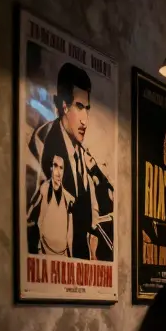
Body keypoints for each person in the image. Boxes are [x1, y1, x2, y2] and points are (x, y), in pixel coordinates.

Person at [27, 62, 114, 261]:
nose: (85, 120)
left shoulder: (82, 153)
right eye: (79, 107)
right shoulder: (43, 141)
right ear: (64, 106)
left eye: (87, 109)